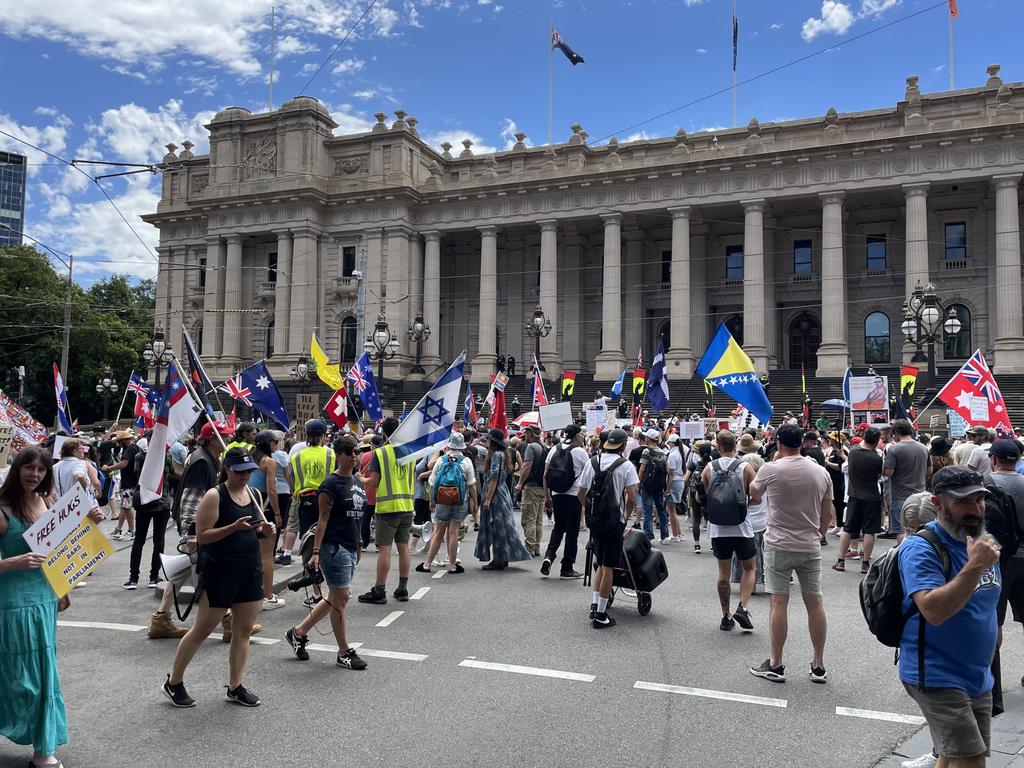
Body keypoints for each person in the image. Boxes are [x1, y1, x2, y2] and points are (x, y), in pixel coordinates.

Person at [1, 447, 101, 767]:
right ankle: (41, 749)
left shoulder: (44, 502)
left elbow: (61, 547)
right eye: (29, 468)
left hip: (44, 598)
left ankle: (43, 749)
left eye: (41, 470)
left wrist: (89, 520)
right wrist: (12, 562)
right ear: (16, 469)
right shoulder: (2, 509)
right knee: (20, 676)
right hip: (12, 604)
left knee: (43, 674)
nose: (35, 475)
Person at [898, 466, 1001, 768]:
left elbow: (987, 602)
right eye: (964, 501)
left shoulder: (982, 542)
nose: (976, 509)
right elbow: (933, 610)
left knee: (954, 755)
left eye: (980, 499)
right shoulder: (921, 548)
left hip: (978, 674)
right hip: (937, 674)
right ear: (939, 504)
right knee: (970, 760)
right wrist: (974, 567)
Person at [163, 448, 274, 709]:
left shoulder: (254, 494)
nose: (245, 476)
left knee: (243, 631)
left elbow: (254, 530)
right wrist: (234, 527)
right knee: (202, 629)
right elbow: (202, 536)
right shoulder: (215, 495)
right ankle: (174, 681)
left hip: (248, 570)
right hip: (220, 571)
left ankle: (235, 685)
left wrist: (264, 530)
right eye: (240, 471)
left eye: (248, 471)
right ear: (227, 469)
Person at [748, 424, 833, 684]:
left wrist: (773, 463)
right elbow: (827, 513)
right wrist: (817, 535)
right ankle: (818, 664)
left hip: (778, 543)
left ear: (778, 443)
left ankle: (776, 662)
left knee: (778, 603)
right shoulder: (820, 471)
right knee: (814, 603)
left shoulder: (771, 468)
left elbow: (754, 492)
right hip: (809, 544)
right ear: (803, 443)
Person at [171, 421, 260, 644]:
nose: (228, 438)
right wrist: (192, 532)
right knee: (194, 575)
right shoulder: (202, 461)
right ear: (212, 438)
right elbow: (192, 498)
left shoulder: (207, 458)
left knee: (183, 572)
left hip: (207, 528)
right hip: (201, 528)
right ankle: (226, 620)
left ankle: (162, 616)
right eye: (224, 435)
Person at [284, 436, 368, 671]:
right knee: (340, 599)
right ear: (338, 455)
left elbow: (358, 518)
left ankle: (297, 633)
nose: (354, 456)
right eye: (349, 452)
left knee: (338, 596)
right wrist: (317, 552)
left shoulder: (357, 483)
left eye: (356, 452)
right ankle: (344, 651)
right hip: (333, 547)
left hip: (350, 546)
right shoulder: (330, 484)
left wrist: (359, 546)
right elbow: (322, 519)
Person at [576, 428, 639, 629]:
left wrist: (590, 510)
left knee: (599, 562)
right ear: (622, 445)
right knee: (608, 565)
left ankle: (595, 605)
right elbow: (631, 496)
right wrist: (625, 516)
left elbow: (581, 492)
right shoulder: (626, 465)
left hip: (595, 520)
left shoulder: (592, 461)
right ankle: (601, 614)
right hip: (614, 521)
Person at [702, 430, 757, 632]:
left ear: (718, 447)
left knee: (723, 573)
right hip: (741, 526)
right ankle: (742, 607)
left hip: (718, 528)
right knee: (749, 568)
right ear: (736, 446)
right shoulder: (746, 467)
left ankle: (725, 616)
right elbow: (757, 496)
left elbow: (705, 494)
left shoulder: (709, 467)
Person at [360, 417, 414, 603]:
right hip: (407, 506)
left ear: (383, 432)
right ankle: (402, 589)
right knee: (403, 547)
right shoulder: (410, 451)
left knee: (384, 549)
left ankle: (380, 590)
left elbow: (374, 482)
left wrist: (362, 479)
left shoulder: (380, 453)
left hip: (388, 508)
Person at [418, 431, 477, 574]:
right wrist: (474, 502)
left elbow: (432, 482)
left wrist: (432, 500)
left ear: (449, 445)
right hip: (459, 500)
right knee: (454, 532)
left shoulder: (441, 460)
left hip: (442, 500)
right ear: (462, 447)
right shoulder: (466, 461)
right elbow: (471, 485)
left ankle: (427, 564)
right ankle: (452, 565)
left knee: (438, 531)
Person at [475, 428, 532, 570]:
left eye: (488, 439)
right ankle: (503, 556)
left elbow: (494, 478)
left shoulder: (495, 455)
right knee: (503, 526)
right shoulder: (502, 454)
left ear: (493, 442)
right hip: (501, 492)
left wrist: (488, 499)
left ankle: (498, 559)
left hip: (495, 495)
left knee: (497, 527)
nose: (486, 441)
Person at [281, 420, 334, 565]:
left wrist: (296, 492)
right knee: (326, 534)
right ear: (323, 435)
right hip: (326, 498)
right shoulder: (331, 454)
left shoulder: (297, 456)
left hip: (304, 500)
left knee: (307, 537)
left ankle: (308, 567)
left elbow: (291, 478)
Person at [541, 424, 588, 579]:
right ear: (576, 437)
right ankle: (566, 568)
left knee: (558, 528)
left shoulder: (554, 449)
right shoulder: (581, 452)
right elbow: (588, 476)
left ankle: (549, 556)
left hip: (556, 494)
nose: (582, 437)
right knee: (572, 532)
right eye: (581, 435)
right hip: (574, 496)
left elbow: (546, 474)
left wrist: (547, 496)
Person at [834, 427, 884, 575]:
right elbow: (879, 476)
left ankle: (841, 561)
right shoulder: (877, 458)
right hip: (872, 496)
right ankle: (865, 563)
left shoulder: (854, 452)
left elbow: (845, 467)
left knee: (848, 528)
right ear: (876, 441)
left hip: (854, 495)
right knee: (869, 531)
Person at [249, 430, 285, 611]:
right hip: (264, 508)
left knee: (251, 553)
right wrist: (278, 514)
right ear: (268, 444)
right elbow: (272, 490)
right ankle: (268, 596)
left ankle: (251, 592)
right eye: (274, 442)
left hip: (246, 506)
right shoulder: (269, 462)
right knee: (267, 555)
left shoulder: (249, 457)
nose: (276, 445)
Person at [882, 419, 929, 541]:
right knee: (919, 529)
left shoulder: (894, 449)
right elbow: (929, 471)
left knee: (901, 530)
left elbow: (889, 472)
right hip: (920, 495)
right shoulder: (924, 448)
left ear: (896, 432)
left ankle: (903, 555)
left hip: (900, 495)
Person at [102, 430, 140, 541]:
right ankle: (119, 528)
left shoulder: (128, 450)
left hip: (128, 482)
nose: (118, 444)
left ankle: (131, 530)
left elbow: (123, 464)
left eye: (119, 441)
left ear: (123, 441)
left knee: (127, 507)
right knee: (124, 506)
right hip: (133, 481)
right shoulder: (136, 448)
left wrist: (109, 468)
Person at [516, 425, 546, 557]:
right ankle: (536, 546)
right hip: (542, 487)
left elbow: (527, 466)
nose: (525, 435)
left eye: (527, 433)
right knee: (538, 519)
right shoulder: (544, 447)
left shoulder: (531, 447)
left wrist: (520, 482)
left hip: (531, 486)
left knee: (528, 518)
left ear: (531, 434)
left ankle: (529, 547)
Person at [638, 428, 671, 544]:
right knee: (661, 509)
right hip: (659, 484)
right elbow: (666, 470)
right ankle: (665, 536)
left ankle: (649, 536)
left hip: (647, 484)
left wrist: (639, 483)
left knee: (647, 510)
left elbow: (642, 469)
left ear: (648, 439)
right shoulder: (663, 452)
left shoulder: (647, 452)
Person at [665, 433, 689, 542]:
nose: (668, 444)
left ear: (672, 443)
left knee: (671, 510)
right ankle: (678, 533)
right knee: (672, 509)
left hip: (674, 482)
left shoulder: (673, 455)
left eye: (669, 442)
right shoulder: (680, 453)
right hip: (679, 480)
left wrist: (667, 487)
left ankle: (675, 534)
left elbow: (671, 473)